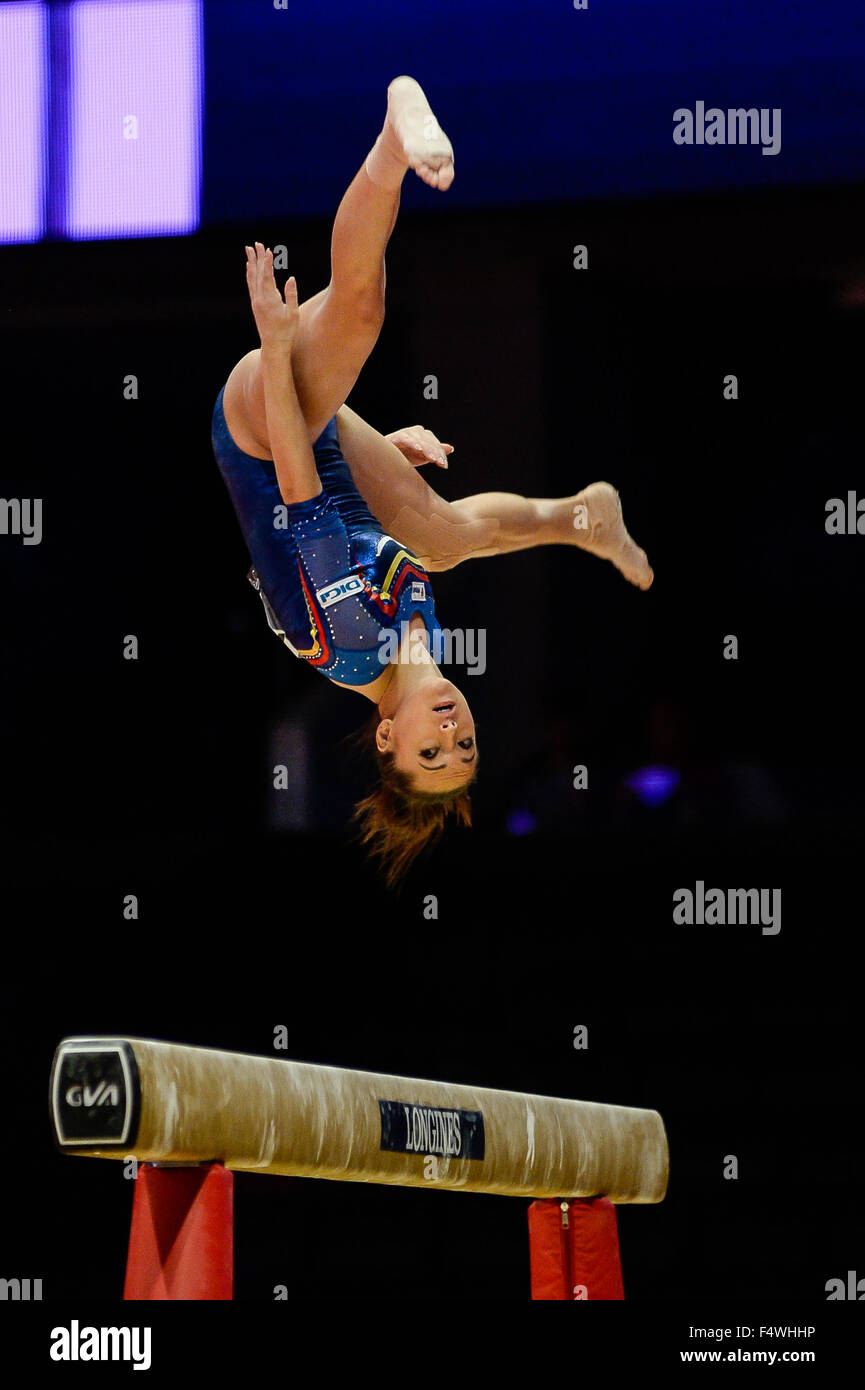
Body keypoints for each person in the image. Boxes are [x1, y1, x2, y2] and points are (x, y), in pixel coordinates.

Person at [212, 77, 652, 886]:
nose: (451, 731)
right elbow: (349, 506)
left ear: (385, 738)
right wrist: (380, 449)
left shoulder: (351, 646)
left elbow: (301, 489)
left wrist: (276, 350)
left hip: (261, 434)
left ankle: (392, 137)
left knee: (358, 310)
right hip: (319, 450)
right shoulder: (421, 643)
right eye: (465, 747)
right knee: (443, 539)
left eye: (429, 750)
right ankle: (580, 517)